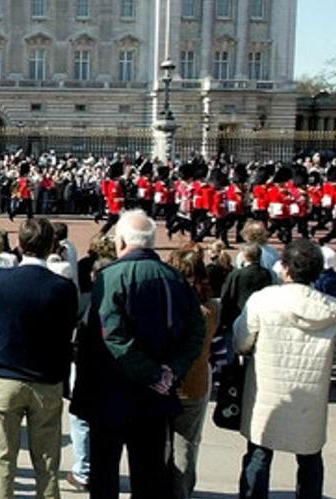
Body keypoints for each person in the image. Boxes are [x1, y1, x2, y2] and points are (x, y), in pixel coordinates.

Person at [71, 210, 207, 499]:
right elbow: (197, 331)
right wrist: (172, 370)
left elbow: (112, 335)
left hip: (112, 394)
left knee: (105, 474)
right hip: (154, 395)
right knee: (149, 475)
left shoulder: (111, 278)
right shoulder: (174, 278)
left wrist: (154, 372)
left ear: (121, 240)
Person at [234, 238, 336, 498]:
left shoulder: (263, 300)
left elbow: (241, 341)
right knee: (309, 457)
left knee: (259, 454)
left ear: (285, 268)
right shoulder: (335, 310)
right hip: (310, 396)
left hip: (267, 392)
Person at [0, 217, 77, 499]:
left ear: (21, 245)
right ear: (51, 246)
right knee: (47, 465)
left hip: (5, 378)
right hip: (46, 380)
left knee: (1, 464)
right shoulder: (62, 287)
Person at [166, 244, 219, 499]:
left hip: (165, 382)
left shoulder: (166, 306)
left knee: (160, 443)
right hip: (195, 383)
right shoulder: (210, 309)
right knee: (187, 444)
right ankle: (182, 492)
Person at [219, 243, 273, 334]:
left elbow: (226, 296)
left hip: (237, 316)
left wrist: (223, 320)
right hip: (259, 316)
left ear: (244, 256)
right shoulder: (266, 274)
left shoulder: (237, 274)